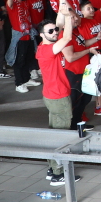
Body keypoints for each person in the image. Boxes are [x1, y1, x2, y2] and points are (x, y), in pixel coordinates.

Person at [36, 19, 81, 186]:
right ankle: (57, 173)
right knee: (60, 135)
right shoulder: (48, 50)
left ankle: (52, 168)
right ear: (42, 35)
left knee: (54, 131)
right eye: (50, 31)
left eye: (55, 30)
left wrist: (63, 5)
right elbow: (67, 36)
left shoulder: (45, 48)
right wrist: (69, 17)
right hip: (58, 97)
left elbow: (61, 25)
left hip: (52, 95)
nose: (55, 32)